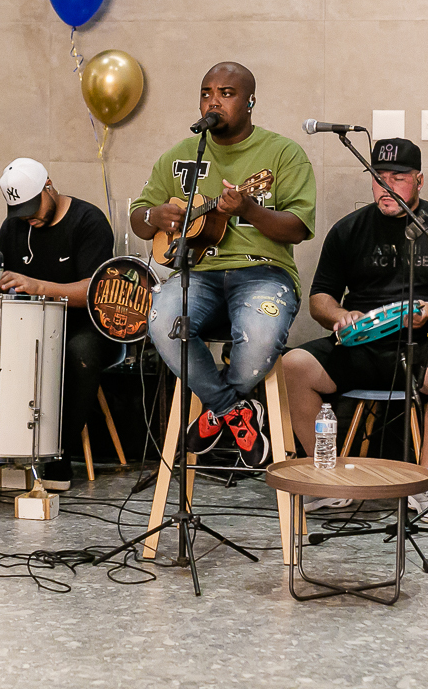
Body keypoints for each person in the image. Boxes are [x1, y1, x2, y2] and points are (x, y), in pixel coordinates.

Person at [281, 138, 428, 522]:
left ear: (419, 181)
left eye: (398, 177)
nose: (387, 186)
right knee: (294, 363)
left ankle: (427, 482)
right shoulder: (349, 230)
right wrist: (341, 314)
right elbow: (319, 297)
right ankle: (327, 477)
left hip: (423, 343)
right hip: (361, 345)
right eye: (378, 177)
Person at [129, 62, 316, 468]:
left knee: (260, 340)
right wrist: (156, 217)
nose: (214, 100)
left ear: (250, 102)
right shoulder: (180, 154)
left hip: (263, 272)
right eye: (206, 92)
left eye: (227, 93)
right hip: (197, 272)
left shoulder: (283, 153)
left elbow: (298, 227)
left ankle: (214, 411)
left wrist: (248, 207)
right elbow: (139, 218)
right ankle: (235, 411)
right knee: (161, 319)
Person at [0, 157, 117, 491]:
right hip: (28, 324)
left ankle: (57, 453)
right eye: (21, 211)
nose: (28, 217)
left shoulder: (89, 221)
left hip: (83, 324)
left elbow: (95, 292)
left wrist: (38, 286)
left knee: (80, 351)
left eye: (33, 207)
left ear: (49, 186)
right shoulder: (15, 226)